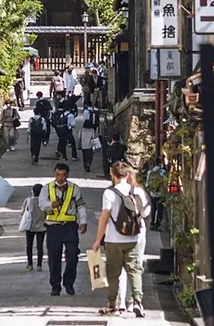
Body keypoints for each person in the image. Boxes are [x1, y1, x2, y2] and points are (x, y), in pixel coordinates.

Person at [92, 161, 151, 318]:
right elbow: (145, 214)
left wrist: (98, 239)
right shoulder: (138, 191)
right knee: (135, 270)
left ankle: (113, 305)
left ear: (113, 175)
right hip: (135, 237)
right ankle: (138, 302)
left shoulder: (109, 193)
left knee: (114, 273)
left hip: (114, 238)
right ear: (128, 175)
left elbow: (104, 218)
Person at [39, 162, 89, 296]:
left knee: (72, 255)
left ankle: (69, 283)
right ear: (54, 174)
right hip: (53, 228)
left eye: (63, 175)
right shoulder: (47, 188)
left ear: (67, 175)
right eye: (58, 175)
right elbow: (42, 204)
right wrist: (51, 204)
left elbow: (81, 205)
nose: (60, 178)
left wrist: (83, 221)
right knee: (53, 258)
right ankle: (55, 285)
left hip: (70, 228)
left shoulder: (74, 189)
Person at [20, 184, 47, 271]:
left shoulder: (28, 201)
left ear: (33, 191)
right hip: (42, 227)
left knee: (29, 246)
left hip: (30, 227)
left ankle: (30, 264)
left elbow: (22, 212)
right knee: (40, 246)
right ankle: (39, 265)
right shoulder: (44, 201)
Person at [78, 101, 101, 172]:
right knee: (90, 157)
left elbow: (79, 137)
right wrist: (96, 146)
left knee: (84, 157)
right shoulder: (91, 130)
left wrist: (79, 144)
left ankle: (85, 165)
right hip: (89, 146)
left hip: (83, 146)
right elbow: (93, 138)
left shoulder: (81, 130)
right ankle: (88, 165)